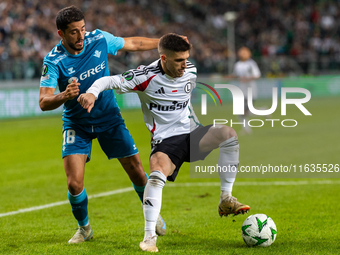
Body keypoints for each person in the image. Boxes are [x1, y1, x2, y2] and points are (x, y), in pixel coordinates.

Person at [78, 33, 250, 252]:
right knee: (158, 173)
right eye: (178, 60)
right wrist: (92, 93)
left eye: (186, 58)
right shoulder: (144, 76)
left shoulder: (191, 71)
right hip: (166, 141)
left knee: (229, 135)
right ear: (163, 58)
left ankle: (226, 198)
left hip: (193, 133)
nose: (184, 65)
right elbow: (108, 80)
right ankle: (149, 237)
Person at [39, 5, 167, 244]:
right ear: (61, 34)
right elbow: (44, 102)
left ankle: (153, 213)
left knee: (138, 172)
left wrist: (165, 43)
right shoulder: (53, 60)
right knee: (74, 183)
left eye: (82, 29)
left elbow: (133, 44)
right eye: (74, 32)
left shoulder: (98, 38)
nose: (80, 36)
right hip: (77, 123)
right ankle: (84, 228)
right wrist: (64, 96)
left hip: (109, 118)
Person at [226, 47, 261, 134]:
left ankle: (263, 112)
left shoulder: (251, 64)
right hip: (242, 91)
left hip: (251, 91)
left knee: (246, 112)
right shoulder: (237, 64)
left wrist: (247, 79)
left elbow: (257, 75)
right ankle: (246, 130)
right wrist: (228, 77)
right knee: (241, 112)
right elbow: (236, 75)